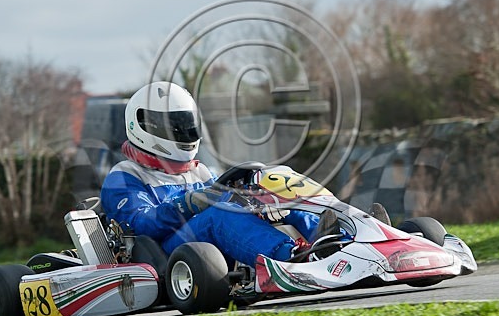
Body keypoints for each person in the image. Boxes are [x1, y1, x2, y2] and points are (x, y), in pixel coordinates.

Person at [99, 81, 339, 267]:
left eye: (185, 124)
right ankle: (294, 258)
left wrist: (255, 197)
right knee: (219, 216)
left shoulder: (200, 171)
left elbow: (228, 200)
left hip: (206, 244)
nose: (182, 132)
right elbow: (141, 226)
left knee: (276, 195)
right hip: (167, 253)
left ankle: (342, 244)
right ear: (144, 126)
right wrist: (187, 205)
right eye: (173, 127)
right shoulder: (125, 175)